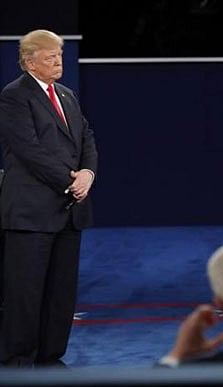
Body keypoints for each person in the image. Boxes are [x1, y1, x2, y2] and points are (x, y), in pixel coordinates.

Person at [0, 29, 98, 368]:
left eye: (59, 55)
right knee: (25, 294)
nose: (58, 62)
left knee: (60, 294)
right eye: (50, 57)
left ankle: (50, 357)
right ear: (29, 62)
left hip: (69, 211)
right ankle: (19, 362)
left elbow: (86, 137)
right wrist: (70, 181)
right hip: (31, 213)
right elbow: (30, 151)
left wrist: (88, 174)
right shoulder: (14, 96)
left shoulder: (67, 95)